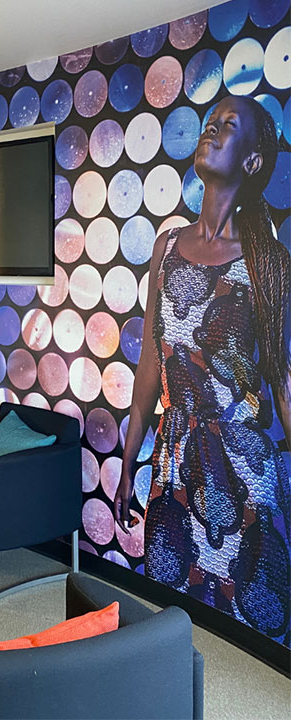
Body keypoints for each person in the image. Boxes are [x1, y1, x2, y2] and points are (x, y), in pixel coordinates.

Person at [113, 95, 291, 643]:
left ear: (252, 161)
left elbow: (282, 379)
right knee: (170, 624)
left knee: (250, 631)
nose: (211, 129)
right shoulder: (166, 247)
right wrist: (129, 459)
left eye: (228, 125)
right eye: (210, 122)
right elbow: (150, 361)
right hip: (174, 460)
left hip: (246, 470)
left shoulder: (268, 262)